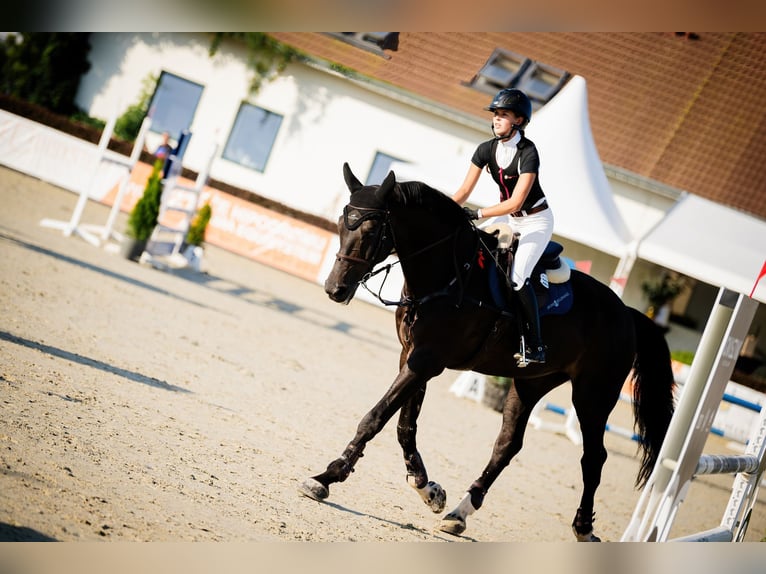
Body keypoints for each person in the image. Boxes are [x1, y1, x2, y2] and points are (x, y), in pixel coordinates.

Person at [452, 88, 554, 366]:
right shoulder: (486, 149)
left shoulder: (528, 152)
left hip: (535, 220)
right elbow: (462, 191)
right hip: (509, 219)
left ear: (518, 121)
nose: (496, 120)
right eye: (495, 114)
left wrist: (477, 213)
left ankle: (535, 344)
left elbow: (516, 201)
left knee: (518, 277)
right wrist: (443, 209)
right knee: (471, 247)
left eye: (504, 115)